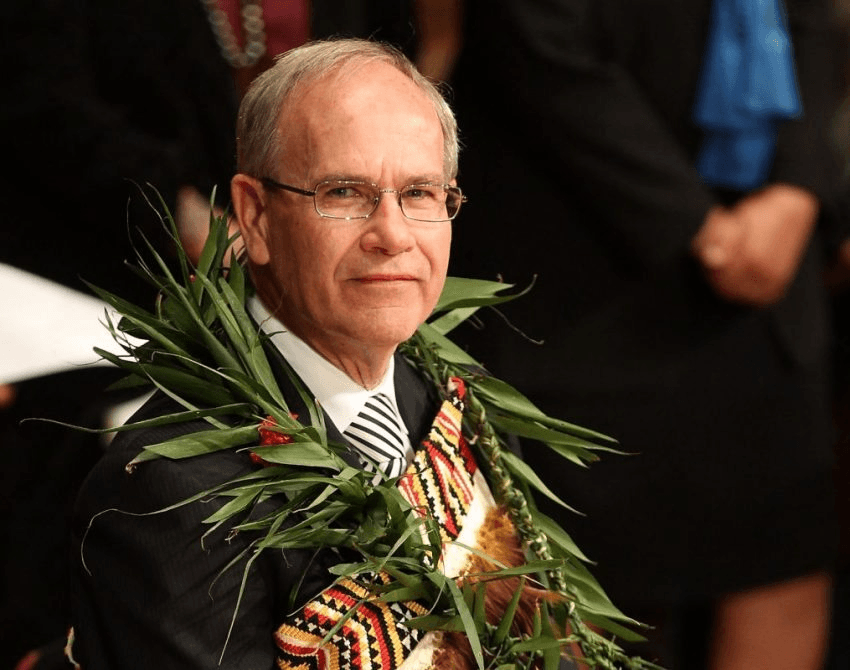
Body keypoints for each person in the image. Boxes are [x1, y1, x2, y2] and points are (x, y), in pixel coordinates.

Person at [68, 38, 641, 670]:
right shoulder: (169, 493)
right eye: (344, 192)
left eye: (420, 193)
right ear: (254, 216)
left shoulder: (457, 392)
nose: (393, 235)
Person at [440, 0, 850, 668]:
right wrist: (702, 231)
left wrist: (800, 189)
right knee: (570, 599)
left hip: (766, 278)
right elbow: (536, 39)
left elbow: (807, 20)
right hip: (577, 292)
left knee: (777, 564)